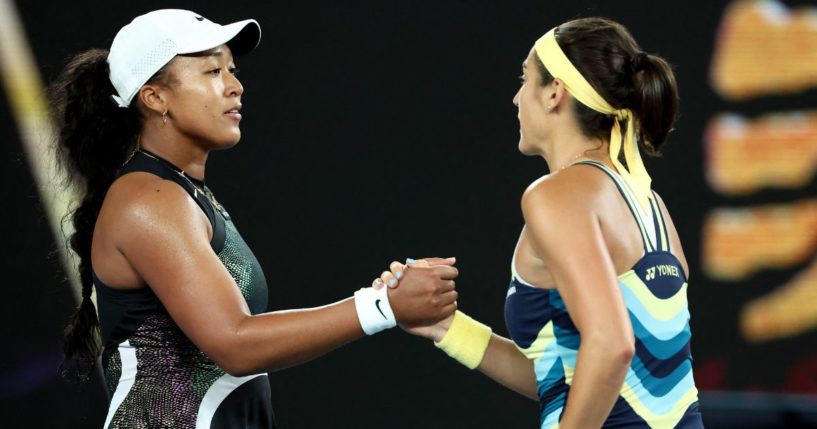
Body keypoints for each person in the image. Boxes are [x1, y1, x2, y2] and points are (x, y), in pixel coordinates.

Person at [51, 9, 458, 428]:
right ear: (155, 97)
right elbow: (234, 343)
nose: (235, 86)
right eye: (212, 71)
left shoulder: (181, 192)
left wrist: (384, 302)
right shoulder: (148, 199)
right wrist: (383, 306)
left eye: (232, 69)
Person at [380, 17, 703, 429]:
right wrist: (447, 328)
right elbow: (572, 377)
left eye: (525, 78)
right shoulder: (651, 204)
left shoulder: (554, 195)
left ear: (555, 93)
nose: (516, 98)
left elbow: (610, 345)